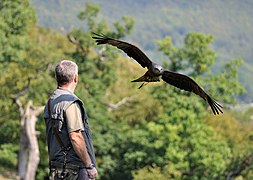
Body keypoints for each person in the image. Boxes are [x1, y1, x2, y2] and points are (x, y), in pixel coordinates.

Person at [44, 60, 98, 179]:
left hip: (57, 168)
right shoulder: (70, 103)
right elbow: (75, 137)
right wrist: (89, 166)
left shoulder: (50, 101)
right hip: (75, 169)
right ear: (75, 78)